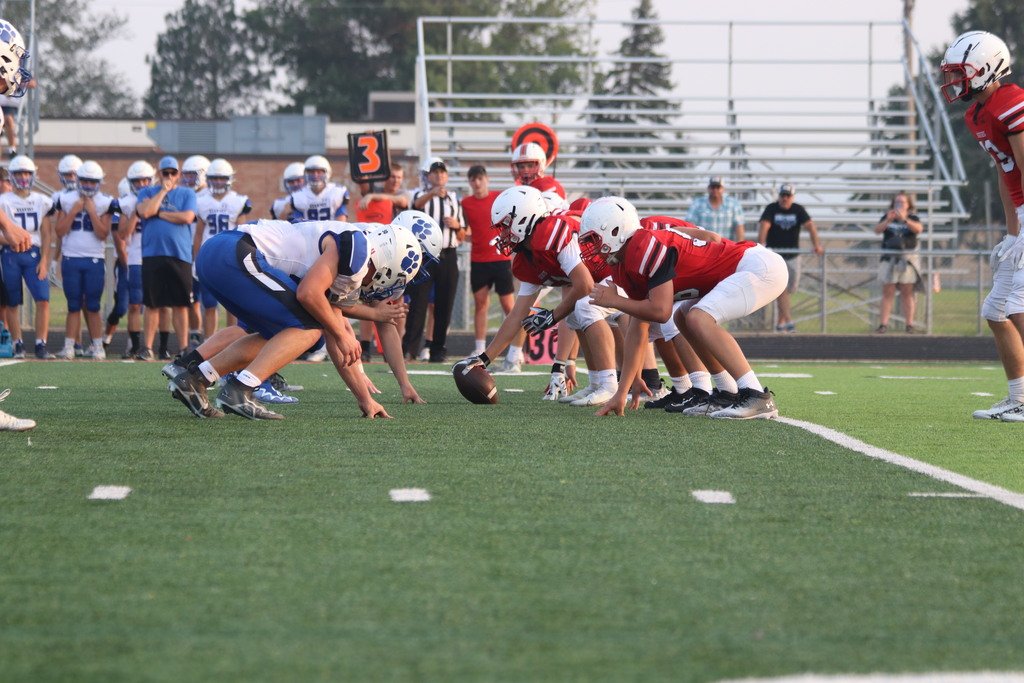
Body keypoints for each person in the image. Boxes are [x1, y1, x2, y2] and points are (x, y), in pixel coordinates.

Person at [169, 220, 420, 420]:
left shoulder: (355, 250)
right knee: (308, 329)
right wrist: (344, 335)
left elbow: (334, 327)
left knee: (284, 334)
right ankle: (239, 390)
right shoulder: (357, 247)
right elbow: (309, 294)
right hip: (235, 252)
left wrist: (365, 399)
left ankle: (196, 378)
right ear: (389, 260)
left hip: (219, 255)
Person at [580, 196, 788, 419]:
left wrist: (615, 301)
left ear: (615, 231)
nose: (591, 247)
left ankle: (756, 394)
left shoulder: (643, 246)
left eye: (593, 239)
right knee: (683, 316)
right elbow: (638, 327)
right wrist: (622, 391)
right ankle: (727, 392)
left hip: (758, 266)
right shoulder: (624, 264)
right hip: (738, 270)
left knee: (698, 317)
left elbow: (660, 311)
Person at [940, 31, 1024, 422]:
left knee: (1008, 307)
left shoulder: (1011, 103)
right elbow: (1004, 172)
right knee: (999, 309)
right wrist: (1012, 232)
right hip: (1022, 219)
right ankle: (1018, 396)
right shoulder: (977, 114)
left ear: (988, 67)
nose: (956, 81)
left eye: (962, 73)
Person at [53, 160, 118, 360]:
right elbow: (59, 230)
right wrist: (74, 211)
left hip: (94, 259)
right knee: (73, 304)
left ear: (99, 182)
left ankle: (97, 345)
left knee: (93, 305)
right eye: (85, 181)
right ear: (78, 179)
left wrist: (90, 210)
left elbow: (102, 234)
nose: (88, 185)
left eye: (92, 181)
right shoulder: (65, 199)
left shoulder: (105, 202)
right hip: (71, 258)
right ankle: (69, 346)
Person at [135, 156, 197, 360]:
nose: (169, 176)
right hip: (153, 253)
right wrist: (162, 191)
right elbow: (145, 212)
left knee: (180, 303)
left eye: (173, 173)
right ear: (158, 174)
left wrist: (160, 213)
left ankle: (183, 347)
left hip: (179, 254)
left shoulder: (187, 193)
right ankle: (148, 348)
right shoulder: (147, 192)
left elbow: (187, 217)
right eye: (165, 173)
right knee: (153, 303)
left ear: (178, 175)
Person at [405, 157, 465, 363]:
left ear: (446, 176)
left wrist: (457, 225)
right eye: (435, 172)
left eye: (442, 172)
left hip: (448, 254)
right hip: (425, 256)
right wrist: (432, 193)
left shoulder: (454, 199)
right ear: (428, 176)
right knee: (418, 304)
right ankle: (409, 349)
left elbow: (463, 234)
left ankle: (438, 349)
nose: (439, 175)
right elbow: (415, 205)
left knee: (444, 304)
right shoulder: (420, 194)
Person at [0, 155, 54, 358]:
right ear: (11, 176)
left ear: (33, 175)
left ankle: (41, 344)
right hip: (10, 255)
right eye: (19, 173)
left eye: (27, 173)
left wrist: (45, 260)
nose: (23, 177)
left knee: (43, 298)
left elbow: (47, 233)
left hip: (33, 254)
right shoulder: (3, 200)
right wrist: (11, 240)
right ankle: (17, 344)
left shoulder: (42, 200)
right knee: (12, 302)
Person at [193, 158, 252, 339]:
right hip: (209, 257)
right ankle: (208, 344)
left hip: (230, 257)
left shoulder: (238, 201)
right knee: (209, 305)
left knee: (233, 306)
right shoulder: (201, 201)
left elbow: (242, 232)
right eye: (214, 178)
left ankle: (231, 344)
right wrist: (196, 260)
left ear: (229, 179)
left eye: (222, 178)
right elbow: (198, 234)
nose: (218, 182)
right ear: (208, 179)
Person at [461, 165, 513, 356]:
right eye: (473, 179)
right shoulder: (465, 203)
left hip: (501, 259)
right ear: (470, 182)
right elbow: (465, 230)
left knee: (509, 306)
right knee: (481, 304)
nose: (477, 183)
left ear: (487, 179)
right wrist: (461, 231)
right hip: (479, 260)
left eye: (480, 178)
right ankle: (480, 347)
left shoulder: (499, 198)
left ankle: (517, 348)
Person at [757, 183, 821, 332]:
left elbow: (810, 226)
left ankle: (780, 323)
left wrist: (816, 244)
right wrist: (761, 245)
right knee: (781, 289)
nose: (785, 198)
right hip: (775, 256)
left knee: (790, 289)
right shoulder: (771, 208)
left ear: (792, 197)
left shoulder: (798, 209)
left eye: (788, 196)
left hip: (792, 255)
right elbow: (765, 225)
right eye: (782, 195)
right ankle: (789, 322)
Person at [874, 191, 924, 333]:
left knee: (907, 292)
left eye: (902, 202)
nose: (899, 205)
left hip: (906, 260)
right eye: (897, 202)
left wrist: (905, 220)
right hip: (889, 258)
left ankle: (909, 325)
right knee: (887, 292)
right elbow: (877, 230)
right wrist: (888, 220)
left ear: (908, 205)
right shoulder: (887, 217)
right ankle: (883, 324)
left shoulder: (913, 217)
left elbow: (919, 229)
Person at [686, 176, 745, 241]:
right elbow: (689, 225)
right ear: (708, 188)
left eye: (718, 187)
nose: (715, 190)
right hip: (703, 247)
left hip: (726, 247)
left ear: (723, 189)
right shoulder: (697, 203)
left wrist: (740, 247)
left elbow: (739, 228)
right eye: (713, 187)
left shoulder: (733, 204)